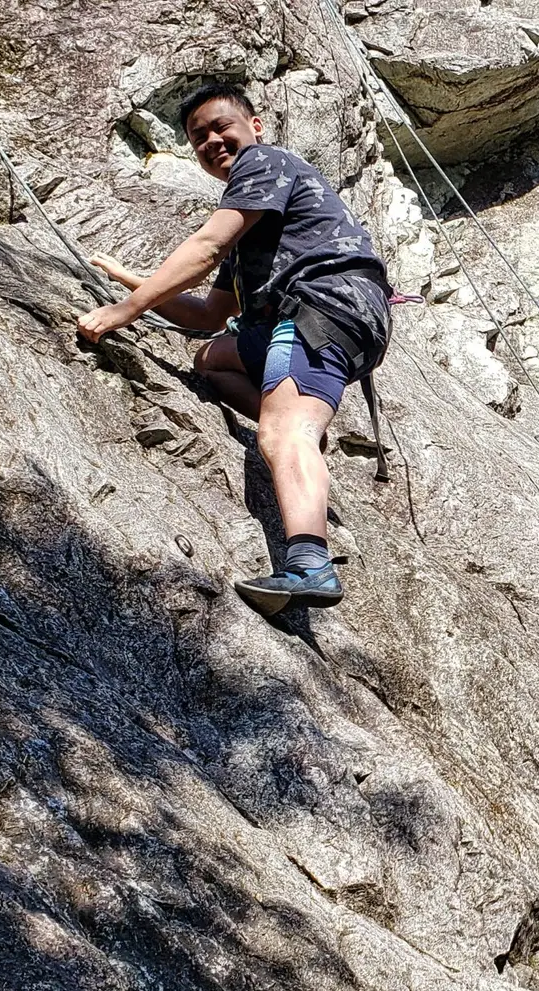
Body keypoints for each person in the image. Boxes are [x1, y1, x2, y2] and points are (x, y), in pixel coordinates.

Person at [76, 82, 392, 615]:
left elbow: (205, 245)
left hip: (321, 305)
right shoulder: (257, 228)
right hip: (315, 315)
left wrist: (120, 313)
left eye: (221, 126)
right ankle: (298, 425)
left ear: (255, 127)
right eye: (198, 137)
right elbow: (206, 315)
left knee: (282, 432)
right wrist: (128, 280)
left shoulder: (264, 162)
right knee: (213, 359)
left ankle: (310, 562)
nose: (212, 141)